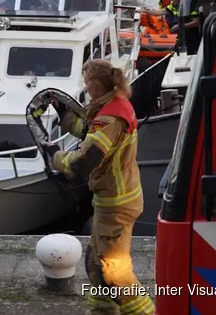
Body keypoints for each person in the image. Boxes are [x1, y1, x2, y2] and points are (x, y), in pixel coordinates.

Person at [43, 59, 155, 315]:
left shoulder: (110, 118)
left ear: (94, 84)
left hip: (117, 202)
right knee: (95, 263)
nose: (85, 87)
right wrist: (65, 114)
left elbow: (85, 160)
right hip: (115, 199)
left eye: (86, 83)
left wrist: (56, 157)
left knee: (113, 271)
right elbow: (87, 130)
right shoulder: (115, 106)